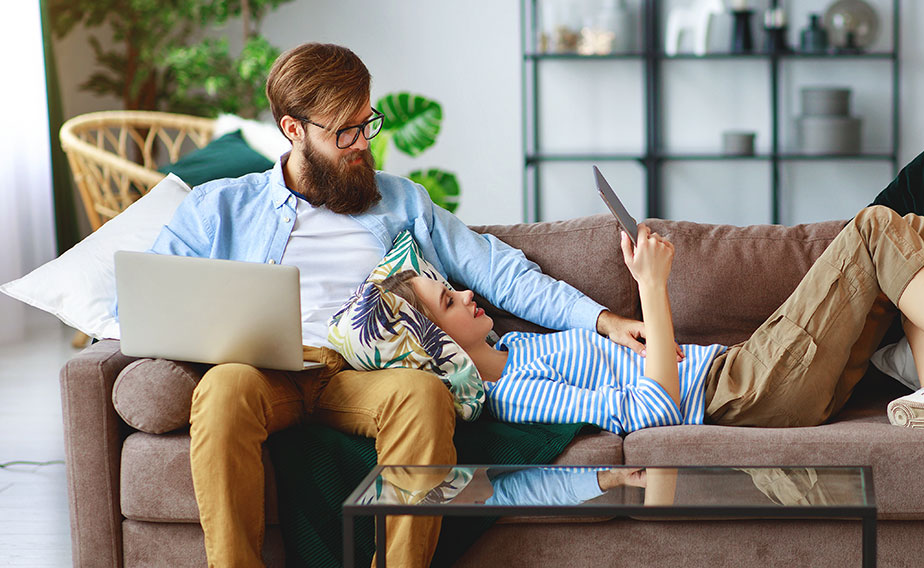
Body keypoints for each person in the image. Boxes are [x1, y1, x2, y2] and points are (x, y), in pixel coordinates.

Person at [146, 43, 647, 568]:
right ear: (294, 130)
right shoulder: (220, 208)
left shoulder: (401, 201)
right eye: (345, 132)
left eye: (368, 123)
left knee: (423, 393)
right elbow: (149, 296)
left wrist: (602, 319)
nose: (363, 144)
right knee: (223, 388)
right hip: (265, 371)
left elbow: (496, 268)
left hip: (361, 376)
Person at [388, 207, 924, 436]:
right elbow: (652, 410)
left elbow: (631, 367)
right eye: (450, 303)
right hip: (734, 393)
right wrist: (650, 294)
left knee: (916, 230)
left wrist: (614, 325)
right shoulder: (514, 392)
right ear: (434, 345)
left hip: (739, 367)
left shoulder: (515, 347)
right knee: (878, 228)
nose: (468, 296)